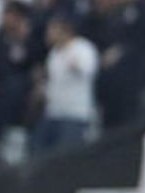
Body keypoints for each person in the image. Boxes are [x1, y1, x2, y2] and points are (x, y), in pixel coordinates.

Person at [36, 16, 99, 154]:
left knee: (66, 154)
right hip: (53, 111)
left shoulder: (82, 48)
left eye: (52, 29)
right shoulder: (54, 54)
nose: (48, 33)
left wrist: (76, 67)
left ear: (64, 30)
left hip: (74, 113)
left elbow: (89, 70)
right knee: (41, 150)